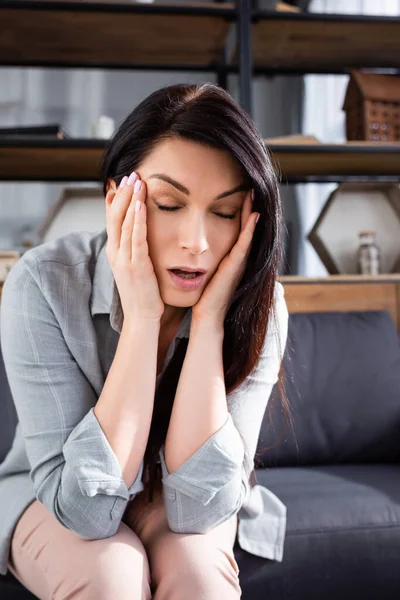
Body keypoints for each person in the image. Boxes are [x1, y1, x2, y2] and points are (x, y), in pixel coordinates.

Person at [0, 82, 290, 599]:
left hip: (176, 499)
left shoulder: (260, 302)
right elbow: (84, 511)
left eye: (223, 213)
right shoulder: (43, 282)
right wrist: (140, 318)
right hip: (54, 493)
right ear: (118, 198)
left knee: (200, 576)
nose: (196, 243)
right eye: (168, 203)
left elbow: (197, 510)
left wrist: (209, 325)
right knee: (109, 574)